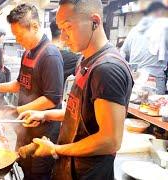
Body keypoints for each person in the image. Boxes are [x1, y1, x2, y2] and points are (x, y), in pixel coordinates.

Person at [18, 0, 134, 179]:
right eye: (60, 28)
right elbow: (78, 112)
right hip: (69, 167)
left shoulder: (107, 69)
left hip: (88, 173)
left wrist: (55, 149)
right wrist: (45, 115)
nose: (62, 37)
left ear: (94, 21)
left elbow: (110, 140)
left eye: (68, 27)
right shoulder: (84, 60)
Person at [0, 4, 64, 180]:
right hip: (25, 131)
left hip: (42, 135)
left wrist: (17, 110)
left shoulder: (50, 55)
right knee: (25, 171)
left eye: (20, 35)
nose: (18, 40)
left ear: (35, 26)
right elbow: (20, 84)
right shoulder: (28, 53)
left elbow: (51, 99)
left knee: (37, 176)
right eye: (15, 36)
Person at [120, 1, 168, 94]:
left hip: (135, 80)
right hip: (154, 81)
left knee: (134, 107)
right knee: (153, 107)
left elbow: (122, 53)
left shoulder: (134, 30)